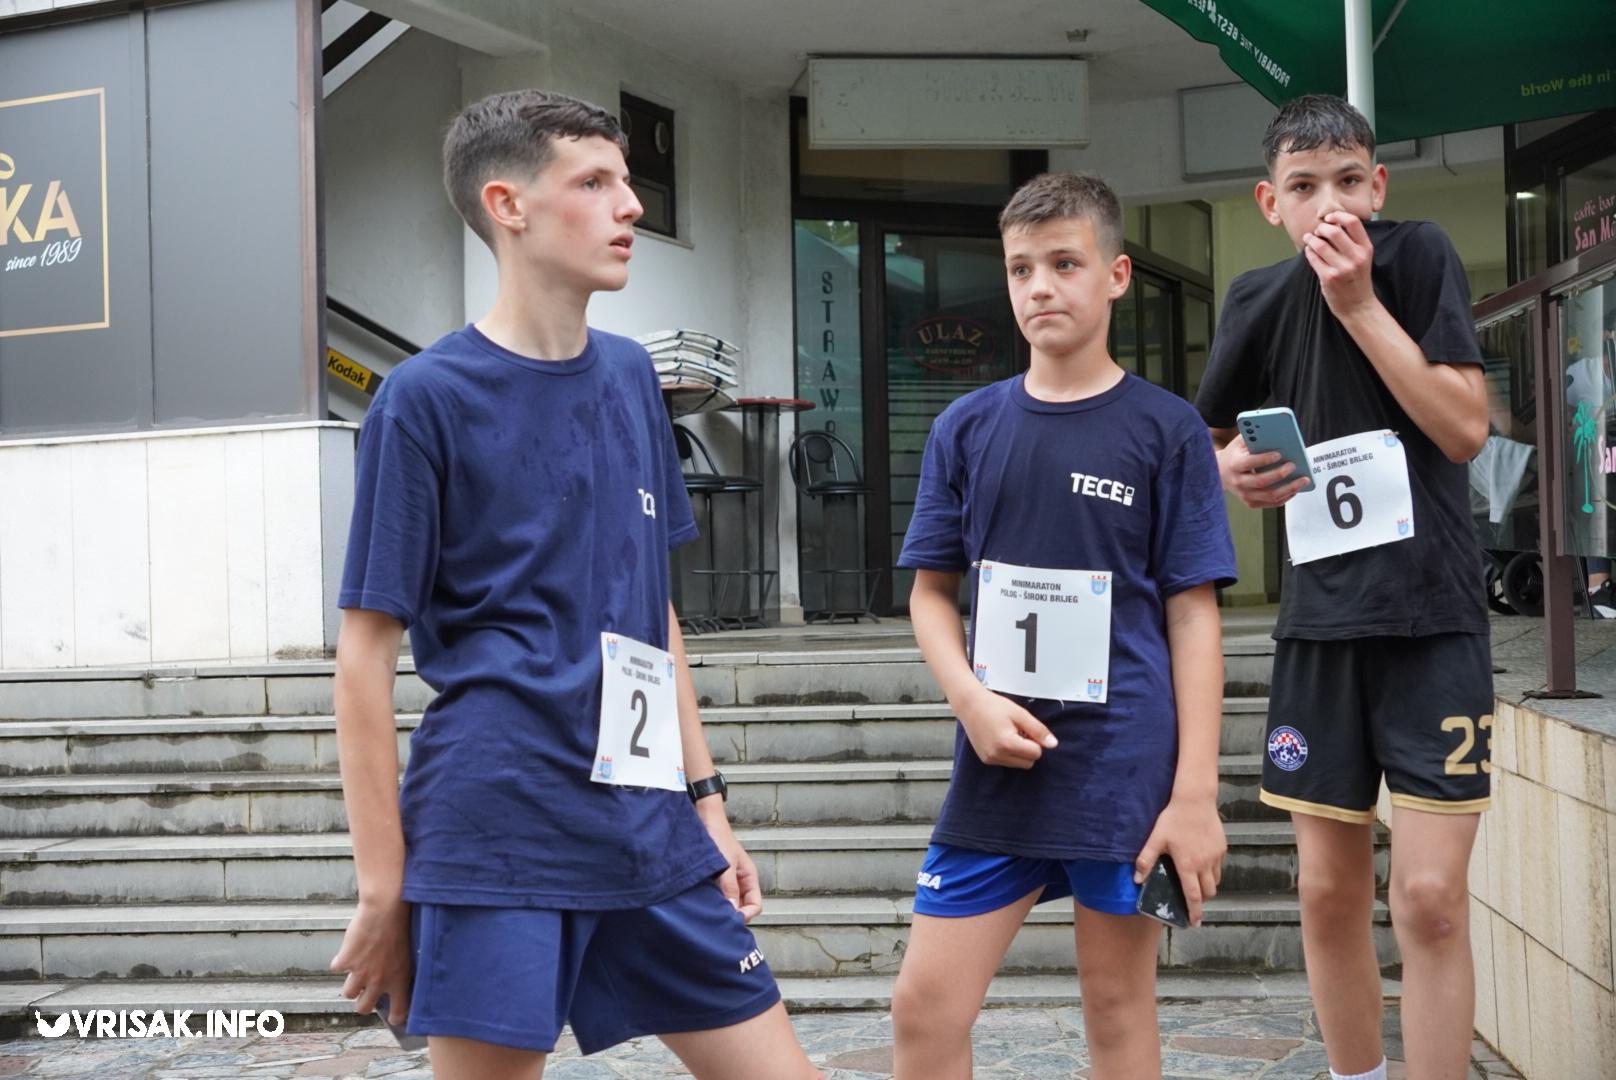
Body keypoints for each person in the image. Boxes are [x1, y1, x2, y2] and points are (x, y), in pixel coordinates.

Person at [327, 89, 819, 1080]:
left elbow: (654, 609)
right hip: (498, 820)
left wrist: (708, 804)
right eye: (593, 182)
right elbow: (364, 656)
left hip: (647, 821)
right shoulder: (426, 398)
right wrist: (386, 888)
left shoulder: (632, 376)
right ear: (508, 205)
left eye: (625, 181)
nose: (630, 206)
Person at [889, 172, 1237, 1080]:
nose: (1039, 286)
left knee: (1117, 1005)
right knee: (924, 1008)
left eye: (1064, 263)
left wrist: (1194, 793)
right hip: (997, 761)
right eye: (1020, 269)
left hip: (1121, 759)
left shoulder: (1166, 432)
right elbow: (931, 594)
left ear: (1117, 274)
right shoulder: (965, 427)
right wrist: (968, 699)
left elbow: (1193, 613)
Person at [1196, 94, 1492, 1080]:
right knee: (1324, 895)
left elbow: (1460, 429)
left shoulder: (1414, 259)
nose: (1329, 205)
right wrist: (1228, 468)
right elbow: (1205, 447)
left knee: (1426, 901)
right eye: (1302, 186)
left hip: (1430, 621)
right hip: (1317, 628)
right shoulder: (1250, 300)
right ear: (1266, 201)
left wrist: (1359, 305)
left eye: (1347, 181)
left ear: (1377, 184)